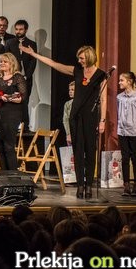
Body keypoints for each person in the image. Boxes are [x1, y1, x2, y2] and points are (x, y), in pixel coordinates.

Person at [20, 44, 107, 199]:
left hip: (91, 116)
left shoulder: (101, 75)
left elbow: (104, 98)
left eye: (81, 58)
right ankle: (80, 185)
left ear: (89, 56)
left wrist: (102, 120)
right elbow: (54, 64)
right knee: (78, 151)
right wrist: (34, 55)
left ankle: (88, 186)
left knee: (90, 152)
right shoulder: (77, 71)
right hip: (75, 116)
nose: (79, 61)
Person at [4, 19, 38, 125]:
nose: (18, 31)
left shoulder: (32, 44)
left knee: (24, 102)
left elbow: (33, 62)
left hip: (26, 78)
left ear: (26, 30)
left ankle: (25, 126)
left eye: (21, 29)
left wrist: (27, 76)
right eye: (17, 29)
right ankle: (13, 124)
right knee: (12, 101)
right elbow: (7, 59)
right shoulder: (9, 43)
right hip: (13, 78)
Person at [117, 71, 136, 197]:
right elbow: (119, 113)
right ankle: (126, 185)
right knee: (125, 158)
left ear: (129, 82)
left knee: (135, 157)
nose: (119, 82)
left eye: (122, 80)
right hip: (122, 131)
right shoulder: (119, 97)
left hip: (134, 131)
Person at [63, 81, 75, 145]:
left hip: (80, 132)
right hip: (71, 132)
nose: (70, 91)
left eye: (72, 90)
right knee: (71, 153)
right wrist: (68, 134)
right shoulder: (67, 104)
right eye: (69, 90)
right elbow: (65, 120)